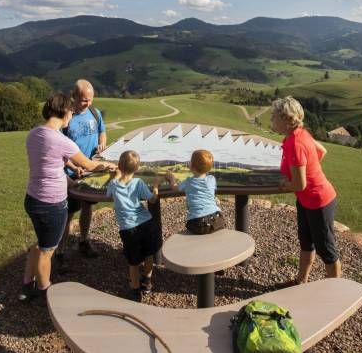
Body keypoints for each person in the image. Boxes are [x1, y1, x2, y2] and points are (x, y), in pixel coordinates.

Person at [19, 92, 115, 302]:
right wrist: (110, 166)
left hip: (33, 198)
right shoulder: (63, 141)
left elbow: (50, 163)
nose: (72, 115)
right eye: (71, 111)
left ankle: (27, 285)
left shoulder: (34, 133)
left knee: (40, 243)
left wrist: (71, 177)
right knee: (47, 251)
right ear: (64, 112)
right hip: (51, 203)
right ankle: (45, 292)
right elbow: (89, 164)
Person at [271, 96, 342, 286]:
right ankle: (301, 281)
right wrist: (309, 169)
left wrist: (284, 185)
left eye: (274, 117)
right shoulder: (298, 135)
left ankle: (335, 291)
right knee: (306, 242)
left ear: (286, 120)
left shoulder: (296, 143)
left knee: (326, 249)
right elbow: (322, 151)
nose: (271, 120)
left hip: (319, 201)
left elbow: (299, 184)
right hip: (306, 200)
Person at [57, 79, 107, 262]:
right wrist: (72, 166)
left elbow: (102, 131)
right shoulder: (66, 118)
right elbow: (59, 148)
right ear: (74, 97)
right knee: (68, 213)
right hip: (71, 175)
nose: (88, 103)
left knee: (88, 207)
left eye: (91, 99)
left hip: (90, 171)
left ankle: (84, 241)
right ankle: (60, 252)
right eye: (84, 100)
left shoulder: (95, 113)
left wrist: (102, 142)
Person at [106, 150, 163, 302]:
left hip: (128, 229)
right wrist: (156, 186)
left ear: (118, 165)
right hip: (146, 224)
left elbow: (108, 194)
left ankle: (135, 291)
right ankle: (148, 281)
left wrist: (116, 176)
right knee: (149, 254)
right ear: (137, 169)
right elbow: (152, 200)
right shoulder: (138, 183)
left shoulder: (113, 185)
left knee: (133, 262)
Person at [166, 149, 225, 234]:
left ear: (192, 166)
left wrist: (171, 179)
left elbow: (175, 188)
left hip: (198, 223)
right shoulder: (212, 179)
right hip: (217, 219)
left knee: (192, 227)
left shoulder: (188, 182)